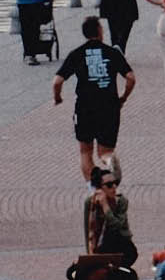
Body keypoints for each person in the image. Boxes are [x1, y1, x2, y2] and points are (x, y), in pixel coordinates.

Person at [53, 16, 135, 183]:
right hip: (109, 106)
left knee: (85, 152)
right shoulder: (112, 53)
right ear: (99, 31)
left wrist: (58, 97)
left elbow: (57, 81)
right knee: (105, 151)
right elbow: (131, 78)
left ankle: (94, 189)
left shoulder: (76, 54)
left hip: (85, 107)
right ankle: (109, 162)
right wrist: (123, 97)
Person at [83, 164, 137, 266]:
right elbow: (89, 231)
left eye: (115, 183)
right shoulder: (90, 203)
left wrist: (105, 206)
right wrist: (90, 256)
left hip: (121, 245)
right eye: (109, 185)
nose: (114, 187)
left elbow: (117, 226)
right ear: (99, 188)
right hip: (101, 246)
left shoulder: (121, 201)